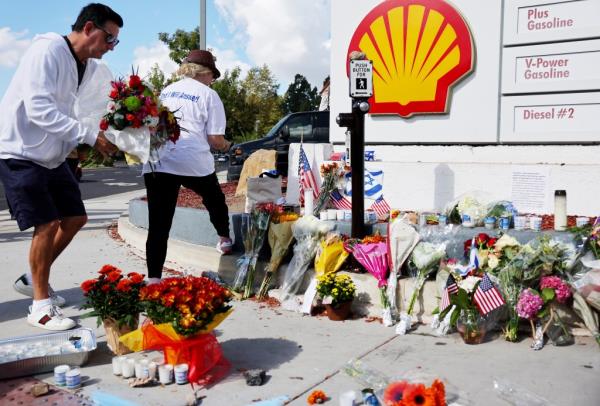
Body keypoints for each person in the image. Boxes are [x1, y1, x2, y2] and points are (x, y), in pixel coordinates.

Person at [0, 3, 121, 330]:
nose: (110, 48)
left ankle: (31, 276)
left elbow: (83, 110)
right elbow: (39, 110)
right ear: (89, 28)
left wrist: (118, 131)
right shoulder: (48, 50)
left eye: (115, 43)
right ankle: (40, 306)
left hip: (51, 155)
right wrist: (90, 137)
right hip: (21, 150)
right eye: (109, 39)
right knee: (48, 222)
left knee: (75, 217)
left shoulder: (83, 64)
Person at [143, 50, 233, 283]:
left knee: (158, 225)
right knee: (214, 199)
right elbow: (215, 139)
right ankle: (224, 238)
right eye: (212, 75)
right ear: (204, 73)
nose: (212, 80)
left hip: (159, 159)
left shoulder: (166, 91)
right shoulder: (209, 95)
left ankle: (153, 279)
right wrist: (228, 146)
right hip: (193, 159)